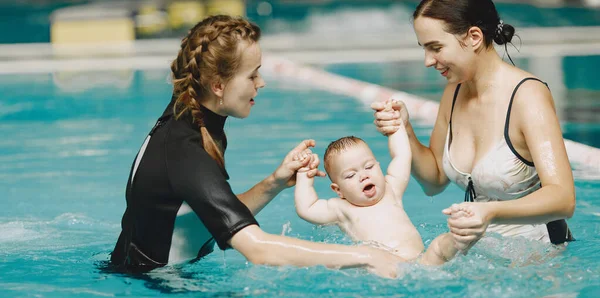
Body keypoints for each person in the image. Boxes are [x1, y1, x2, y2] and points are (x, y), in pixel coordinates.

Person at [110, 15, 399, 278]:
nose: (261, 83)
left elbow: (206, 213)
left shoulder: (188, 116)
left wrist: (274, 182)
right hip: (156, 286)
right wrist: (366, 256)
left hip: (141, 274)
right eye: (252, 75)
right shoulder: (187, 152)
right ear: (218, 86)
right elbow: (257, 249)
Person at [372, 0, 575, 251]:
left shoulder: (527, 96)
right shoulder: (454, 92)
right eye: (424, 49)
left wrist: (489, 212)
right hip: (486, 255)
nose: (427, 60)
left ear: (474, 37)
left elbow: (563, 198)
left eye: (435, 47)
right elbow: (434, 181)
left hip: (544, 261)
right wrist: (405, 131)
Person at [294, 101, 460, 266]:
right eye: (351, 175)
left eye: (369, 166)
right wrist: (303, 174)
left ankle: (466, 232)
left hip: (422, 261)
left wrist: (396, 126)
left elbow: (401, 155)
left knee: (440, 245)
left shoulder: (391, 189)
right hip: (384, 266)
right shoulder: (341, 209)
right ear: (338, 190)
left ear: (379, 166)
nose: (364, 176)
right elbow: (306, 208)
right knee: (376, 263)